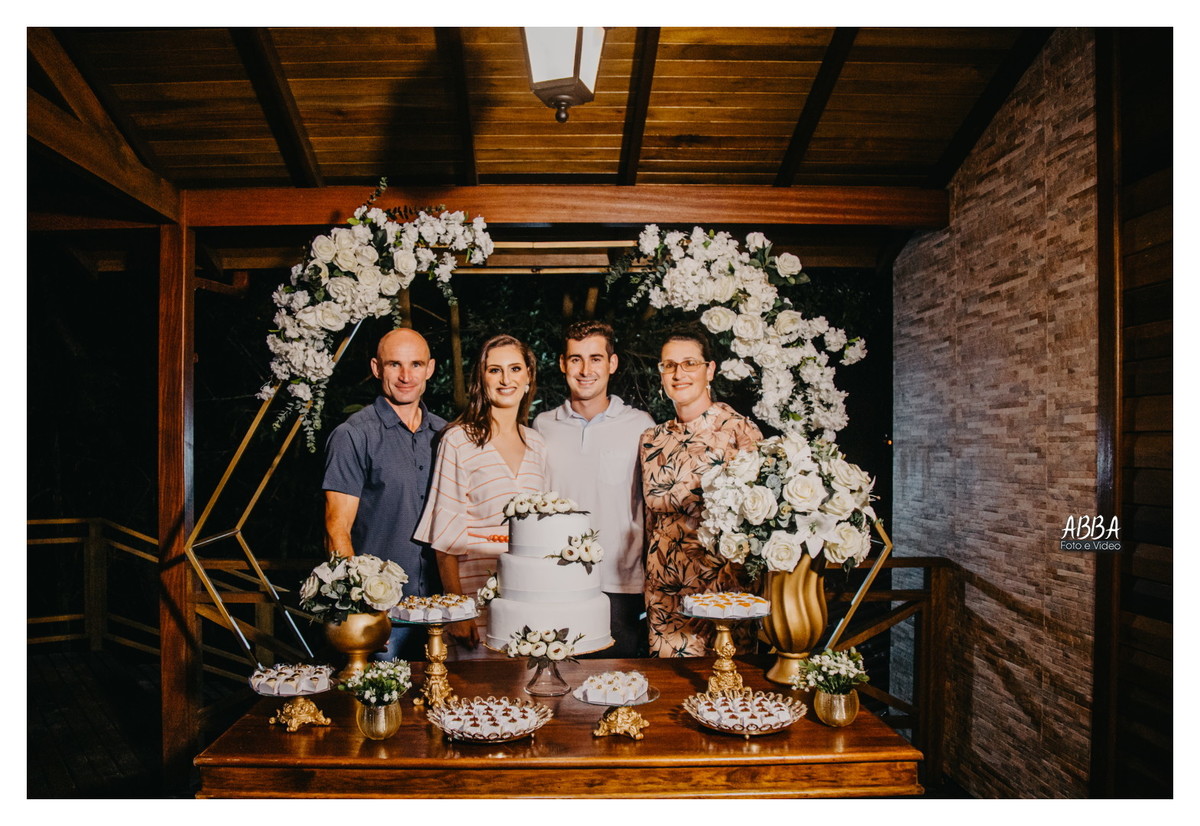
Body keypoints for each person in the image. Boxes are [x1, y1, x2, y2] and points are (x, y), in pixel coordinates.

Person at [414, 333, 548, 659]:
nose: (506, 379)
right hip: (474, 596)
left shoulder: (537, 444)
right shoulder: (458, 440)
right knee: (477, 689)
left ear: (529, 377)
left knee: (527, 687)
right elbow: (444, 538)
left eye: (515, 369)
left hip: (527, 595)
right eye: (494, 370)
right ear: (481, 379)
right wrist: (459, 610)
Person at [322, 327, 445, 661]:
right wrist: (360, 610)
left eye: (416, 364)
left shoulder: (447, 435)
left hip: (441, 612)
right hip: (382, 617)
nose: (406, 376)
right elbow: (336, 529)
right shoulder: (353, 436)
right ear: (377, 368)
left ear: (430, 369)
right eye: (394, 365)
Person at [534, 321, 655, 658]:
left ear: (612, 363)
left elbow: (652, 506)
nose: (585, 370)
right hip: (557, 582)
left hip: (620, 584)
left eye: (596, 359)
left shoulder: (641, 425)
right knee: (559, 681)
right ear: (563, 364)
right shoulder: (543, 426)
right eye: (576, 359)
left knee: (616, 682)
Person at [640, 327, 763, 657]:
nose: (678, 374)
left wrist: (734, 592)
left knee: (726, 684)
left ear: (710, 370)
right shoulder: (651, 439)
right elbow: (650, 520)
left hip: (722, 597)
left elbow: (757, 521)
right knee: (669, 685)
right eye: (669, 365)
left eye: (689, 363)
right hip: (664, 595)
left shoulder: (739, 430)